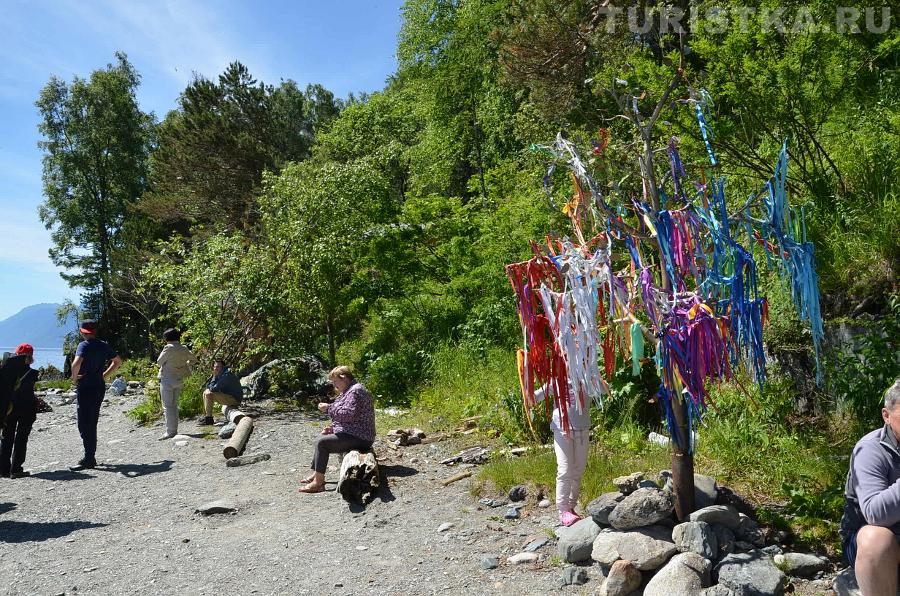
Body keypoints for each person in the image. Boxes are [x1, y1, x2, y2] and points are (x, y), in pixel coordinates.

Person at [841, 378, 900, 596]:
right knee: (875, 539)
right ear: (886, 415)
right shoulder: (870, 450)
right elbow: (875, 513)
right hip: (875, 543)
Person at [299, 366, 375, 494]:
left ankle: (318, 483)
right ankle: (316, 473)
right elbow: (351, 417)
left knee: (323, 443)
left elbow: (349, 414)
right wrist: (334, 428)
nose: (334, 385)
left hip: (361, 436)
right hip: (354, 432)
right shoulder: (348, 391)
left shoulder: (355, 391)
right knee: (321, 438)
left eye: (335, 382)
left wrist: (328, 408)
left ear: (344, 378)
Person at [535, 383, 592, 526]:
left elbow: (603, 390)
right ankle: (563, 511)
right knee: (565, 469)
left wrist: (595, 378)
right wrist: (527, 389)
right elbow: (536, 397)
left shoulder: (586, 377)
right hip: (562, 428)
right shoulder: (556, 379)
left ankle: (571, 507)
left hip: (582, 428)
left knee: (579, 469)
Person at [69, 319, 122, 471]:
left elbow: (76, 364)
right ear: (95, 331)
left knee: (84, 422)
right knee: (92, 420)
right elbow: (117, 361)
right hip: (99, 386)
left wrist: (74, 378)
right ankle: (89, 455)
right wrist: (104, 375)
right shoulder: (103, 345)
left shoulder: (83, 345)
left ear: (82, 331)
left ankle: (89, 457)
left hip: (85, 386)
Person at [0, 344, 39, 478]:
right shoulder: (33, 374)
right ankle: (16, 469)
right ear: (31, 356)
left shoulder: (7, 372)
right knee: (22, 438)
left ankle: (3, 469)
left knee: (6, 436)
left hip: (9, 407)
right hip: (27, 407)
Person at [155, 328, 197, 440]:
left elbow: (159, 362)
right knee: (174, 404)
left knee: (168, 406)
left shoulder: (168, 348)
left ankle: (170, 431)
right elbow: (194, 359)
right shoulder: (183, 348)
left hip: (167, 379)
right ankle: (174, 430)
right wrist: (185, 364)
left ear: (167, 338)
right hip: (179, 379)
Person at [199, 360, 242, 426]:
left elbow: (215, 388)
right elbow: (210, 386)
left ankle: (209, 419)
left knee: (208, 394)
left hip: (234, 400)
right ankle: (207, 417)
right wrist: (210, 385)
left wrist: (214, 378)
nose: (216, 368)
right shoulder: (220, 374)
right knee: (206, 392)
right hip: (228, 397)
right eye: (215, 366)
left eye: (219, 367)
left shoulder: (226, 375)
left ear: (223, 367)